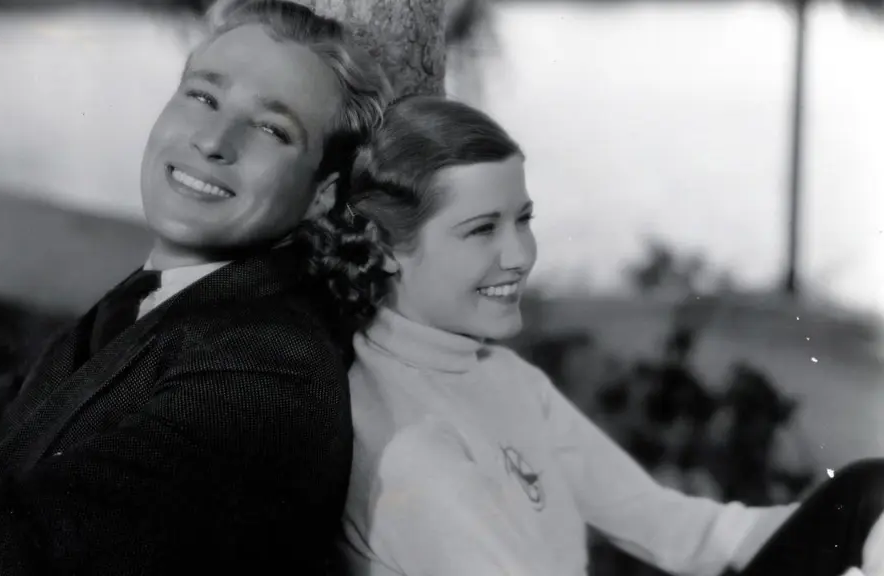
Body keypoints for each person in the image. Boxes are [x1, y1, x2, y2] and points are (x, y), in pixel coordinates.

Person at [0, 1, 392, 573]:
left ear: (321, 194)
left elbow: (9, 556)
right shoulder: (166, 296)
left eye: (271, 128)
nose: (214, 140)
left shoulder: (265, 370)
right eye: (204, 97)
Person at [302, 95, 884, 576]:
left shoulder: (498, 376)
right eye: (482, 229)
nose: (520, 255)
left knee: (871, 495)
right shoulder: (409, 445)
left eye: (523, 219)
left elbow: (676, 528)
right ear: (385, 249)